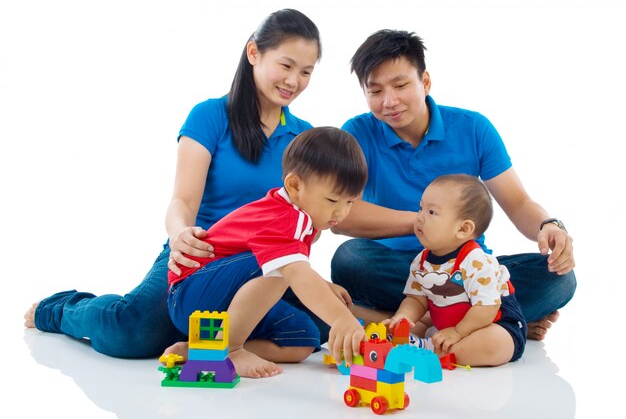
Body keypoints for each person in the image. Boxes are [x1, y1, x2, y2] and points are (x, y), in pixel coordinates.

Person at [24, 9, 322, 358]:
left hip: (265, 267)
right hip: (202, 255)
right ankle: (61, 310)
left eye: (306, 72)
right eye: (286, 66)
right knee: (132, 333)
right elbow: (183, 199)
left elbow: (308, 219)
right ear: (254, 53)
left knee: (322, 329)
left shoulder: (304, 137)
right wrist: (180, 233)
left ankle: (209, 345)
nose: (294, 81)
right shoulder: (210, 116)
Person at [331, 29, 576, 341]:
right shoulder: (357, 133)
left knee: (559, 277)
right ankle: (497, 318)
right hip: (398, 270)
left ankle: (407, 321)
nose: (388, 101)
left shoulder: (473, 128)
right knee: (350, 259)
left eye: (401, 85)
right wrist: (425, 225)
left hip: (468, 271)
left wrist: (548, 226)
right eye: (374, 91)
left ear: (426, 82)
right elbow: (341, 216)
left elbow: (517, 203)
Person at [167, 127, 367, 378]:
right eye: (332, 201)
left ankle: (203, 349)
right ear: (295, 186)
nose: (341, 213)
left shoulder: (299, 218)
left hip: (223, 303)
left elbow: (294, 268)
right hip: (192, 294)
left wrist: (322, 286)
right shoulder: (285, 217)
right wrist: (341, 319)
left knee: (304, 341)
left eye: (350, 202)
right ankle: (230, 349)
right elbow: (293, 270)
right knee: (282, 269)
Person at [385, 174, 526, 366]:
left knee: (494, 343)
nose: (420, 217)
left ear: (463, 229)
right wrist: (403, 317)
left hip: (493, 322)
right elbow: (416, 299)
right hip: (447, 325)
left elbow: (487, 308)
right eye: (421, 208)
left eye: (432, 212)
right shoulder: (421, 261)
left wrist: (459, 332)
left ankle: (432, 352)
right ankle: (424, 343)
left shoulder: (475, 261)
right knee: (413, 326)